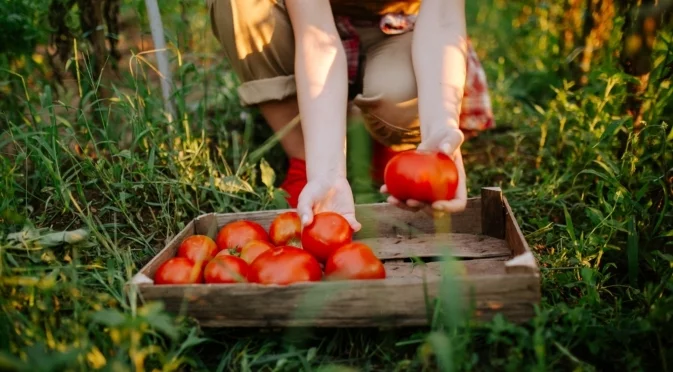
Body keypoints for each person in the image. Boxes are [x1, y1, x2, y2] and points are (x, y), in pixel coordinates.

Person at [206, 0, 494, 232]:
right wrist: (325, 172)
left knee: (398, 93)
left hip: (400, 27)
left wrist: (439, 129)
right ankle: (305, 161)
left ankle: (394, 144)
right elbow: (317, 38)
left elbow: (442, 20)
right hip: (301, 24)